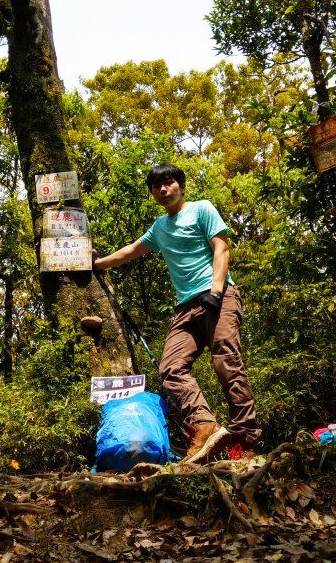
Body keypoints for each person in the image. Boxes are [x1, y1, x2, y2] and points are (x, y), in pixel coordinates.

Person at [93, 163, 261, 463]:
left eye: (169, 183)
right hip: (186, 307)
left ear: (181, 186)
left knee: (227, 362)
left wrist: (216, 290)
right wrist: (98, 264)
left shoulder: (201, 209)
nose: (163, 189)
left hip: (218, 297)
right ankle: (205, 424)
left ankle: (244, 440)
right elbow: (131, 250)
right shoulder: (159, 228)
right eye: (157, 186)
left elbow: (221, 249)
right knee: (171, 368)